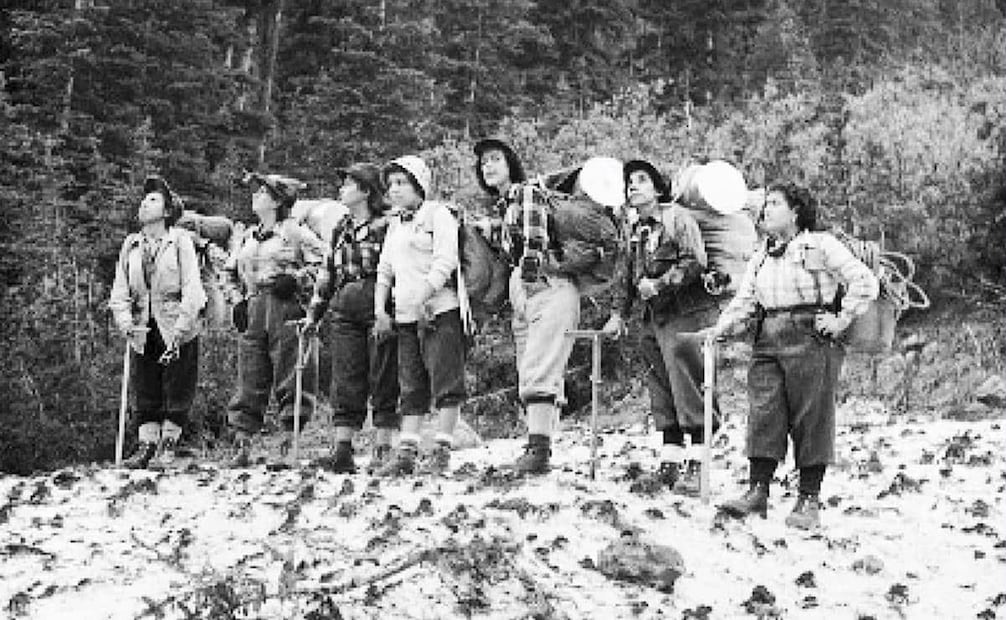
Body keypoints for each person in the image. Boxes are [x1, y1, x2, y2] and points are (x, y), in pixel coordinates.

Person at [708, 182, 879, 529]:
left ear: (796, 211)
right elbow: (745, 300)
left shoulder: (821, 245)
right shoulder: (761, 254)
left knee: (811, 416)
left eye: (775, 203)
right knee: (764, 413)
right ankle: (757, 492)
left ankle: (808, 499)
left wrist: (841, 318)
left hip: (811, 335)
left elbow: (864, 281)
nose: (766, 210)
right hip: (767, 337)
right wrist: (719, 329)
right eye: (765, 204)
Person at [602, 159, 716, 494]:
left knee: (688, 383)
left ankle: (698, 464)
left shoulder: (677, 219)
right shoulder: (633, 229)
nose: (633, 186)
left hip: (685, 312)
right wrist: (617, 314)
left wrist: (661, 282)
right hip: (652, 318)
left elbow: (695, 261)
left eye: (642, 180)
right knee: (661, 387)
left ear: (657, 187)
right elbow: (623, 274)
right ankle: (670, 461)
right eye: (630, 181)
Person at [474, 137, 585, 475]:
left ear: (511, 163)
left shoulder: (526, 193)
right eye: (484, 162)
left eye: (495, 159)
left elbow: (535, 237)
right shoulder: (506, 204)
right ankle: (538, 445)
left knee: (539, 365)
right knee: (531, 365)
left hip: (543, 284)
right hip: (527, 289)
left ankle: (539, 451)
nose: (488, 166)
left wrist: (530, 274)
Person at [372, 155, 467, 476]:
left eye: (402, 182)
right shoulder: (395, 223)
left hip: (439, 311)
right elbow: (385, 269)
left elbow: (445, 261)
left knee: (445, 380)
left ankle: (442, 450)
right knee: (410, 384)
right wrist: (380, 310)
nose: (394, 189)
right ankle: (406, 453)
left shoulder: (438, 215)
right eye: (391, 184)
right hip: (405, 316)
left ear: (419, 185)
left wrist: (424, 297)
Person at [224, 172, 325, 467]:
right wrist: (237, 300)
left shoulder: (297, 233)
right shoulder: (247, 237)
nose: (255, 196)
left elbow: (325, 266)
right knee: (249, 375)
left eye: (262, 192)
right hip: (254, 307)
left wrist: (296, 279)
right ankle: (242, 442)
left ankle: (289, 441)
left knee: (292, 373)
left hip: (287, 307)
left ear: (278, 201)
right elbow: (228, 272)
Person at [304, 164, 399, 473]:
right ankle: (342, 449)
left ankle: (383, 446)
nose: (341, 189)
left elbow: (397, 268)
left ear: (366, 191)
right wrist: (314, 314)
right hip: (344, 307)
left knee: (384, 373)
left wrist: (390, 308)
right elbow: (327, 272)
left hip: (379, 303)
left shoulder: (388, 225)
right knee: (345, 376)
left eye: (348, 184)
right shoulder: (341, 227)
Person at [109, 175, 207, 469]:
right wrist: (126, 323)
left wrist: (182, 327)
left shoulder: (180, 242)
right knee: (146, 385)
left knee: (178, 385)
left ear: (167, 211)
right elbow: (120, 290)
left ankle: (169, 445)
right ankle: (146, 446)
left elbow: (192, 287)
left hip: (176, 322)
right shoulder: (132, 245)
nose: (144, 204)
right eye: (144, 199)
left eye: (152, 200)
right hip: (143, 325)